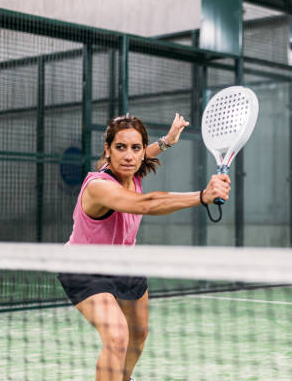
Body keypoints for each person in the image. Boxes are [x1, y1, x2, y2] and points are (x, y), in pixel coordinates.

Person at [58, 113, 230, 381]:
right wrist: (201, 197)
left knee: (138, 335)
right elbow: (145, 204)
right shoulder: (99, 187)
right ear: (108, 150)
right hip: (85, 268)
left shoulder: (133, 165)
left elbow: (141, 157)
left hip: (124, 263)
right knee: (116, 337)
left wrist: (167, 141)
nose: (128, 156)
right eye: (120, 147)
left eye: (135, 148)